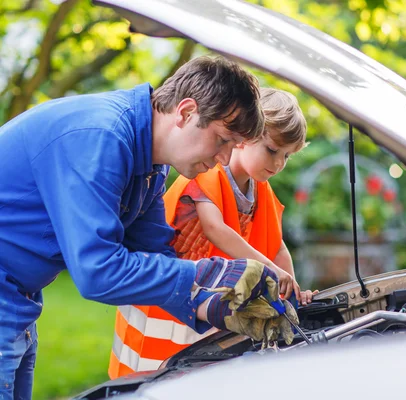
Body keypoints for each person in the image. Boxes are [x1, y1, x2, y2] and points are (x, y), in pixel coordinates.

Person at [0, 56, 297, 400]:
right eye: (221, 141)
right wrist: (210, 276)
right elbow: (98, 270)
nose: (224, 159)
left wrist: (219, 303)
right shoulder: (102, 138)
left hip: (18, 295)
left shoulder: (149, 164)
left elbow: (153, 253)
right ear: (186, 113)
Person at [110, 88, 316, 377]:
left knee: (196, 374)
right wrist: (270, 268)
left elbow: (276, 244)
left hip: (207, 301)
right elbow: (215, 228)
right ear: (245, 137)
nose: (279, 163)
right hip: (168, 294)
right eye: (272, 150)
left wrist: (291, 286)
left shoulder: (261, 190)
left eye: (287, 156)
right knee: (150, 376)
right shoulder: (208, 170)